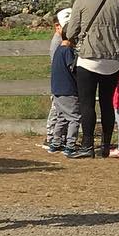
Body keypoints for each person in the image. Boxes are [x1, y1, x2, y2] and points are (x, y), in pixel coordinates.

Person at [61, 0, 119, 158]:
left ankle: (87, 146)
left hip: (88, 58)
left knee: (87, 104)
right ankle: (106, 146)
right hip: (113, 60)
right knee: (107, 102)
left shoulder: (81, 2)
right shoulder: (118, 3)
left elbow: (70, 32)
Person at [44, 9, 80, 154]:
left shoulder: (58, 49)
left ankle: (55, 141)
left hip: (57, 89)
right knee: (74, 118)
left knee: (61, 117)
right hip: (68, 90)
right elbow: (73, 68)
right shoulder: (68, 52)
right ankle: (70, 144)